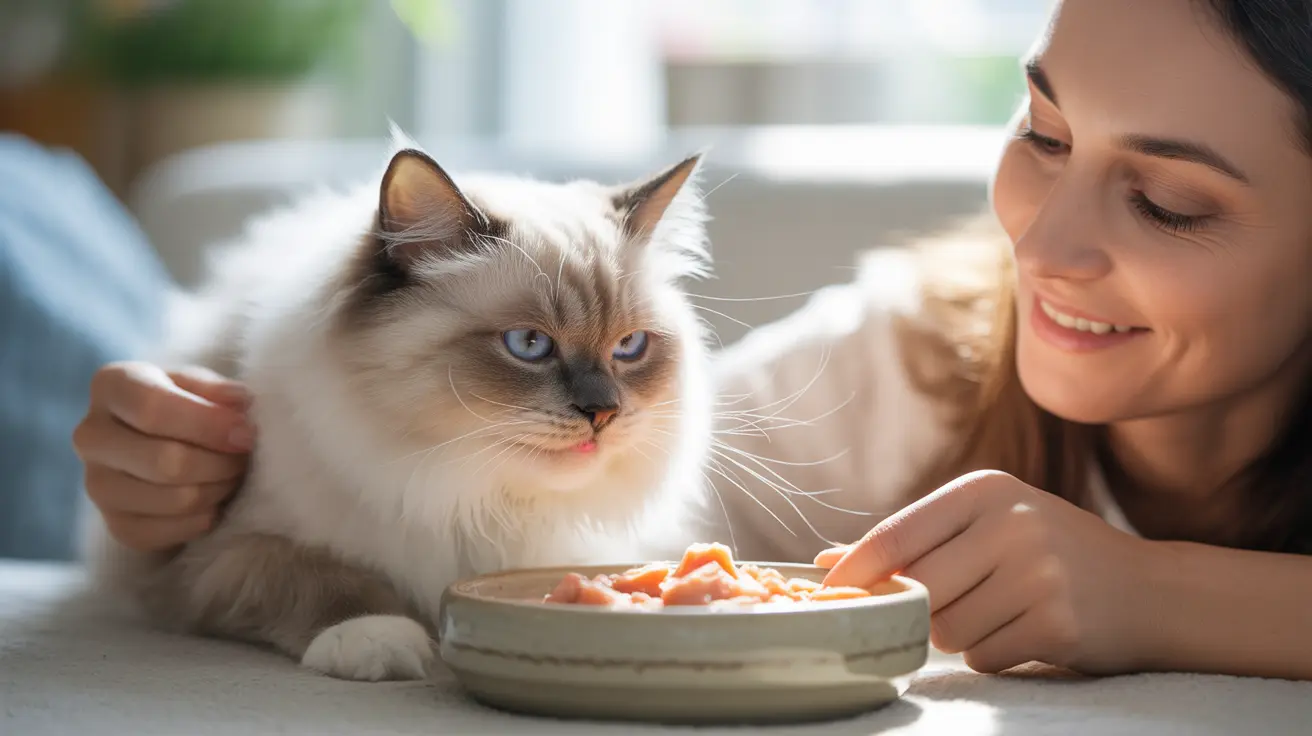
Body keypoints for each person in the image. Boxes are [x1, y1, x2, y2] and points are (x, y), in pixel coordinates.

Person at [75, 0, 1312, 679]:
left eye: (1169, 201)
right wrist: (182, 484)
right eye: (1041, 136)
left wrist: (1153, 595)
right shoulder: (915, 360)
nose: (1042, 245)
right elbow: (599, 534)